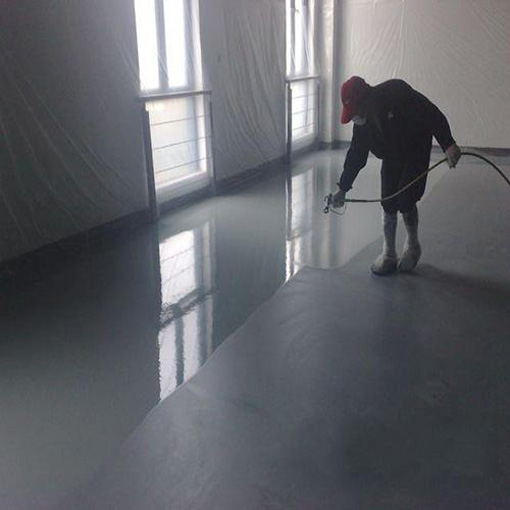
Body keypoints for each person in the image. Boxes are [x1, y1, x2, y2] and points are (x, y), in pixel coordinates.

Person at [333, 76, 462, 275]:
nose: (355, 118)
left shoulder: (397, 93)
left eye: (356, 111)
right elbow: (356, 154)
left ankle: (412, 246)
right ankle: (389, 253)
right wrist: (342, 188)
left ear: (366, 100)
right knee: (387, 199)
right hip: (391, 153)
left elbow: (431, 113)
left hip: (415, 148)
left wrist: (448, 144)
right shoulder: (362, 123)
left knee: (405, 198)